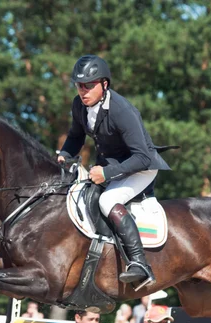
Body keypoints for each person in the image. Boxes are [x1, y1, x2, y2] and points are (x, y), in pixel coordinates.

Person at [57, 55, 171, 287]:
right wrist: (64, 154)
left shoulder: (121, 110)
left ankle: (140, 264)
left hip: (141, 166)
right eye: (79, 85)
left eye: (89, 85)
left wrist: (107, 174)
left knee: (108, 200)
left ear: (104, 84)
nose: (83, 91)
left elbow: (142, 156)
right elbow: (76, 137)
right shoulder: (79, 105)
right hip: (113, 166)